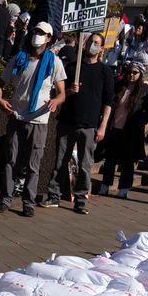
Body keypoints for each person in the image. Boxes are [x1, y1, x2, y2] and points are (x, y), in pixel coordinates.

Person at [0, 21, 67, 217]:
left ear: (49, 38)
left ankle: (29, 202)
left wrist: (55, 101)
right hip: (17, 117)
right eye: (35, 31)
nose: (37, 35)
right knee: (11, 160)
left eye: (41, 33)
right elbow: (0, 83)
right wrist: (0, 99)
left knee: (34, 165)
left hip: (39, 120)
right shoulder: (20, 58)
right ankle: (5, 199)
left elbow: (62, 93)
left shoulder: (54, 62)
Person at [46, 34, 114, 214]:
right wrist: (70, 90)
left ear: (101, 48)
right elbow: (58, 94)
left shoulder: (105, 71)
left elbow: (108, 101)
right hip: (67, 122)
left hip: (89, 125)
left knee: (85, 165)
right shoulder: (71, 67)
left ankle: (81, 199)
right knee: (60, 161)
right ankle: (54, 195)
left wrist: (103, 126)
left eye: (96, 43)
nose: (92, 45)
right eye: (90, 42)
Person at [98, 62, 148, 199]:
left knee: (127, 161)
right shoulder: (119, 86)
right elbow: (109, 103)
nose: (131, 75)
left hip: (131, 131)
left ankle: (124, 188)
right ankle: (105, 185)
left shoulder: (146, 90)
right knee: (110, 159)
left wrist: (140, 122)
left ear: (140, 74)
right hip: (114, 128)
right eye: (129, 72)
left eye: (135, 73)